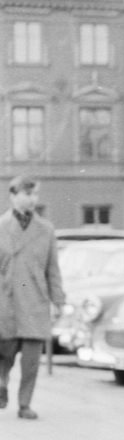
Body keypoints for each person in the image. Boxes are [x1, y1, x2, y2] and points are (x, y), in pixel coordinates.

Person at [0, 177, 64, 420]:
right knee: (4, 353)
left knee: (32, 360)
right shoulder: (1, 226)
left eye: (35, 194)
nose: (32, 199)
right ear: (13, 195)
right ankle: (2, 383)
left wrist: (59, 301)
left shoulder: (46, 229)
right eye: (27, 194)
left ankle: (25, 403)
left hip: (35, 300)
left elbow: (53, 269)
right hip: (6, 301)